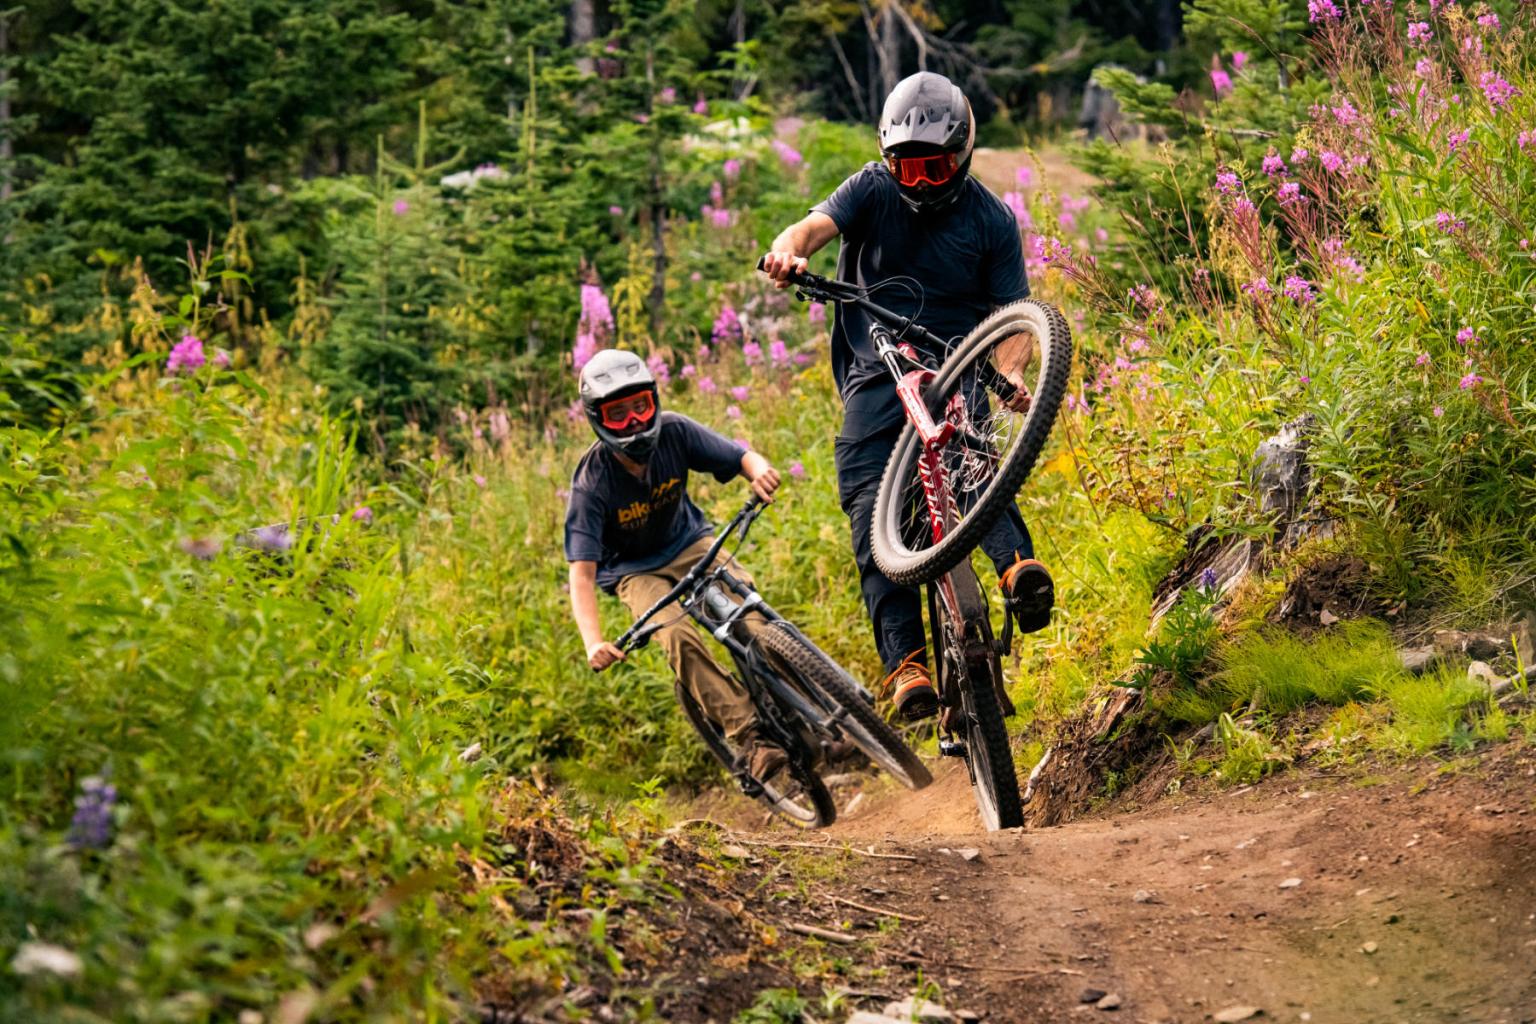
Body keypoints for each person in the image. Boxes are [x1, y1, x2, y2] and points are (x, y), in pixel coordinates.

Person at [760, 70, 1055, 722]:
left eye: (935, 167)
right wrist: (786, 256)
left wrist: (1007, 376)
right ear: (887, 160)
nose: (918, 181)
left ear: (963, 153)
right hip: (876, 371)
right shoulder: (868, 188)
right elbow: (808, 230)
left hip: (961, 367)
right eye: (906, 168)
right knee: (871, 507)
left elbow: (1014, 320)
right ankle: (908, 664)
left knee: (974, 463)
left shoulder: (991, 220)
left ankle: (1018, 573)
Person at [564, 348, 791, 779]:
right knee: (676, 635)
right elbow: (582, 574)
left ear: (654, 400)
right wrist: (593, 642)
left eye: (640, 407)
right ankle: (750, 737)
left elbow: (740, 456)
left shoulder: (675, 432)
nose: (633, 422)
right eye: (618, 414)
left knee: (752, 615)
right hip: (635, 572)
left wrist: (759, 471)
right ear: (597, 418)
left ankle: (815, 705)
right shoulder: (591, 483)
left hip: (689, 542)